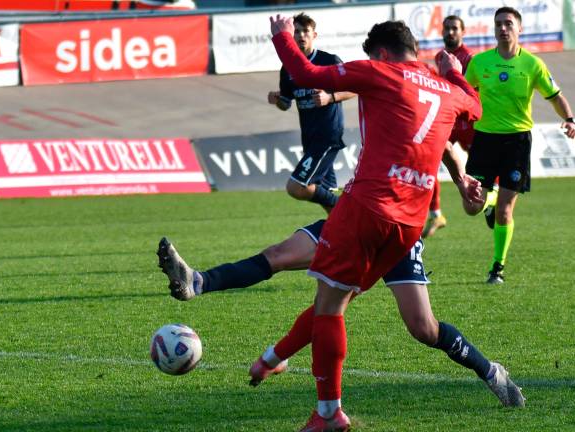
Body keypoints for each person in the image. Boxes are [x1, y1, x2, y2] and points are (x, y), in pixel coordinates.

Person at [204, 15, 489, 431]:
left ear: (384, 54)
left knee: (329, 306)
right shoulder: (443, 87)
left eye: (372, 57)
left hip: (366, 209)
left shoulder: (381, 71)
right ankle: (272, 362)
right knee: (348, 304)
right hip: (409, 226)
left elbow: (305, 72)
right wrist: (454, 74)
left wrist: (281, 35)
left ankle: (328, 413)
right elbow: (475, 108)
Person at [157, 144, 524, 420]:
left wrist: (463, 183)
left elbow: (449, 154)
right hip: (354, 218)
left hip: (398, 232)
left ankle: (490, 371)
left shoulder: (422, 104)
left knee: (422, 328)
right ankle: (199, 281)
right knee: (284, 258)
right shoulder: (377, 91)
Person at [462, 7, 575, 284]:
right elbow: (462, 94)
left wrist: (571, 119)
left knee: (506, 211)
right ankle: (487, 200)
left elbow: (555, 96)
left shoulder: (533, 65)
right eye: (499, 24)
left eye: (508, 24)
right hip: (484, 140)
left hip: (517, 142)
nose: (503, 29)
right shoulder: (480, 64)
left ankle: (497, 267)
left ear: (519, 29)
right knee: (471, 207)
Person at [267, 13, 356, 213]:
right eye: (296, 31)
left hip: (327, 136)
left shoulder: (328, 60)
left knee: (297, 187)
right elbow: (286, 103)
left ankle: (346, 208)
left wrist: (330, 97)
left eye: (305, 31)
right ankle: (341, 236)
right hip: (309, 138)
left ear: (314, 35)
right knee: (325, 196)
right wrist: (278, 100)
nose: (301, 35)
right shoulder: (288, 68)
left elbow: (355, 88)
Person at [422, 15, 476, 238]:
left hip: (469, 120)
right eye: (447, 28)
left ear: (463, 32)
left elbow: (473, 91)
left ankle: (490, 201)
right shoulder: (440, 56)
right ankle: (436, 215)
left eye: (454, 28)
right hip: (449, 119)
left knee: (481, 166)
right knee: (429, 161)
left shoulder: (470, 58)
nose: (450, 32)